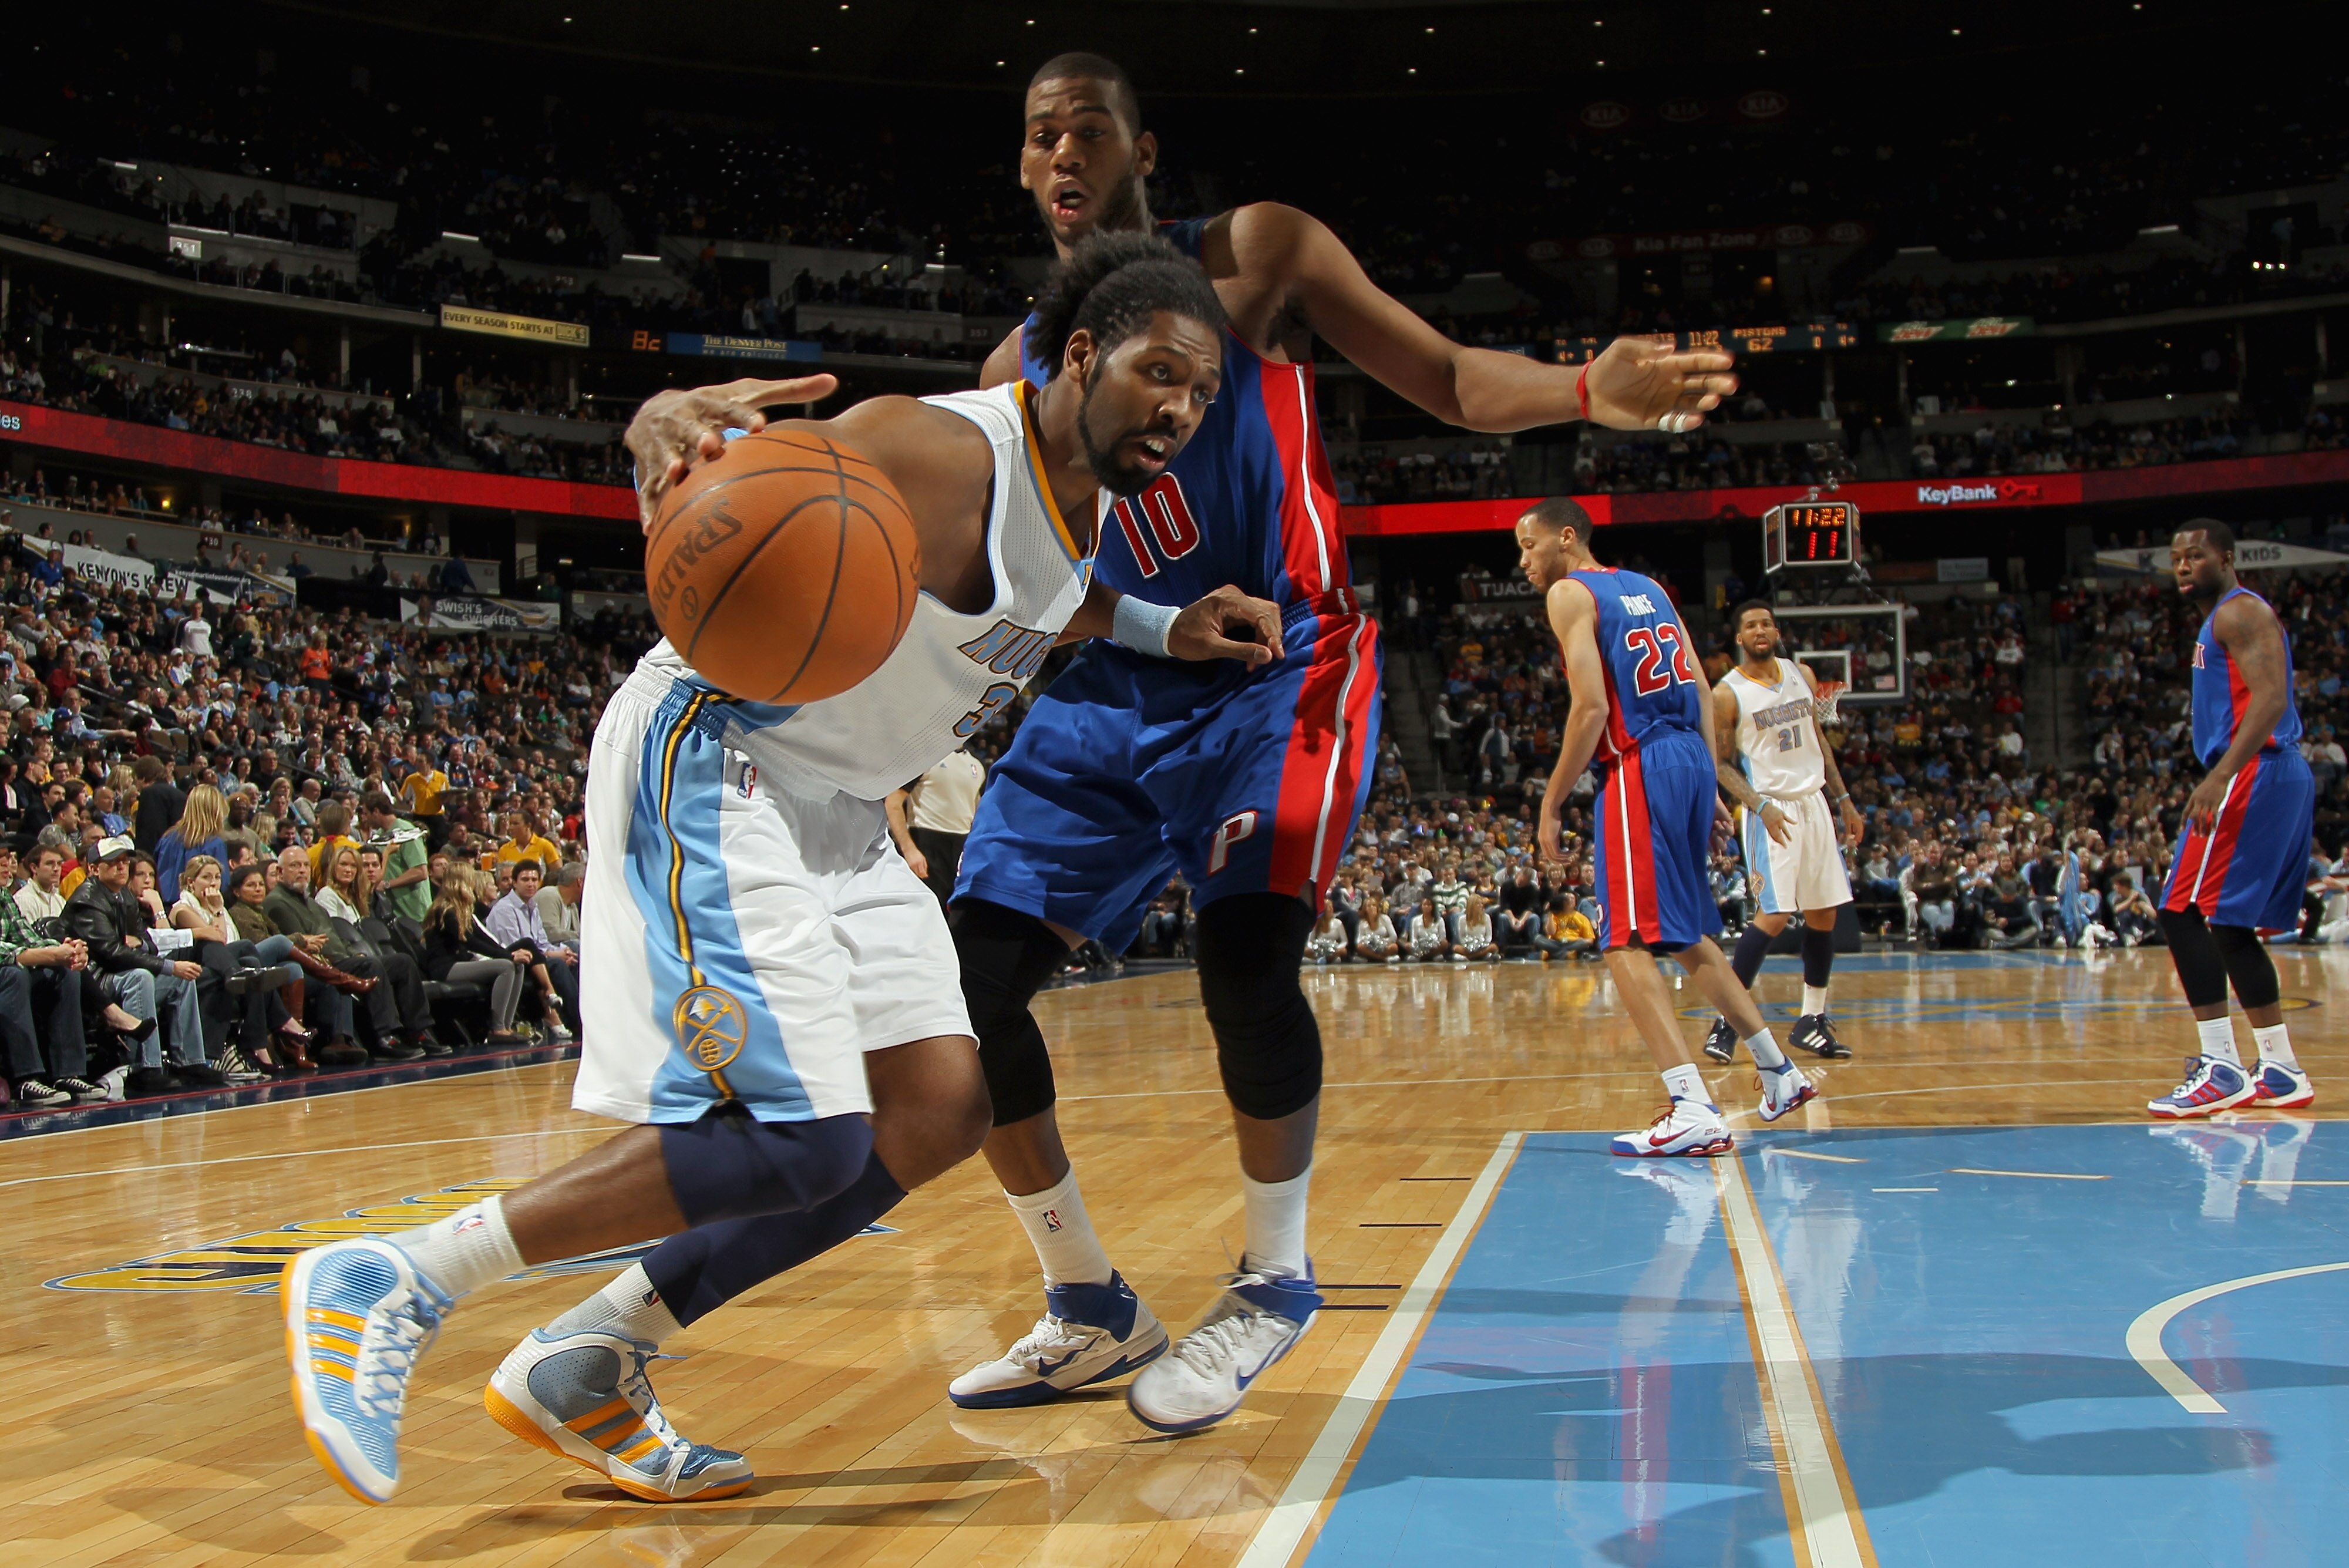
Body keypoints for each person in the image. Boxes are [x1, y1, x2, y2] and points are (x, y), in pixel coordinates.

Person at [283, 235, 1273, 1504]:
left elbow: (1039, 603)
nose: (1180, 411)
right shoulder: (939, 446)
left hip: (844, 809)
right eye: (1158, 374)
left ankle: (592, 1357)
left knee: (937, 1112)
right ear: (1082, 354)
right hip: (721, 759)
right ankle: (405, 1276)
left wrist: (1159, 624)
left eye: (1201, 394)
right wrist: (663, 422)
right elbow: (746, 484)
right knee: (806, 1143)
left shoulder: (1091, 505)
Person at [933, 53, 1738, 1435]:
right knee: (968, 993)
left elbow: (1447, 380)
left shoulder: (1255, 257)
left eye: (1087, 131)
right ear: (1020, 168)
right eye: (1037, 137)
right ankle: (1087, 1301)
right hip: (1118, 680)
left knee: (1245, 958)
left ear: (1141, 148)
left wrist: (1582, 393)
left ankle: (1273, 1277)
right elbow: (1020, 579)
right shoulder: (1014, 370)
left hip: (1280, 666)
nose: (1060, 154)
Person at [1518, 499, 1818, 1156]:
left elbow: (1592, 707)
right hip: (1685, 755)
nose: (1524, 561)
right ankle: (1779, 1070)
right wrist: (1708, 778)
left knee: (1623, 939)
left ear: (1566, 539)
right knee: (1686, 934)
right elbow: (1700, 685)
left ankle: (1690, 1104)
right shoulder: (1650, 588)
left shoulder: (1570, 593)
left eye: (1529, 545)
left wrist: (1550, 801)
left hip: (1638, 762)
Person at [2147, 520, 2319, 1118]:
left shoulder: (2237, 613)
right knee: (2228, 925)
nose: (2183, 566)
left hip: (2253, 771)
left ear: (2225, 557)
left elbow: (2271, 697)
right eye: (2175, 558)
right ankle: (2279, 1067)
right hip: (2274, 773)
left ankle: (2219, 1066)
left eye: (2195, 555)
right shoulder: (2223, 616)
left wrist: (2220, 776)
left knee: (2181, 910)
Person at [1701, 602, 1863, 1065]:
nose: (1760, 630)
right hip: (1770, 808)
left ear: (1776, 631)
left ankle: (1811, 1021)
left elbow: (1818, 739)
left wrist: (1845, 800)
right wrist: (1760, 806)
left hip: (1813, 803)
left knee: (1824, 914)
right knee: (1773, 916)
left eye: (1767, 623)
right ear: (1740, 637)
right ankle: (1727, 1022)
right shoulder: (1727, 694)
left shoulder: (1801, 675)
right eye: (1751, 625)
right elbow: (1721, 765)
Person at [65, 835, 220, 1094]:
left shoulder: (124, 896)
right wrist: (166, 965)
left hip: (118, 973)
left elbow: (147, 942)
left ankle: (190, 1062)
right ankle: (144, 1067)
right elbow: (111, 954)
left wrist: (141, 946)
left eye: (125, 861)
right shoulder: (87, 899)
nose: (122, 867)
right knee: (142, 977)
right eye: (113, 862)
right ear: (94, 869)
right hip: (94, 981)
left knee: (182, 978)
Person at [0, 881, 102, 1105]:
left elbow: (26, 937)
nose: (7, 864)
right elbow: (8, 952)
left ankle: (67, 1074)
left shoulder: (3, 895)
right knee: (13, 974)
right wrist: (49, 955)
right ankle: (25, 1079)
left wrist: (64, 951)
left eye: (9, 857)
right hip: (8, 975)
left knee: (65, 972)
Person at [420, 870, 530, 1045]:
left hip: (459, 964)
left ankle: (507, 1027)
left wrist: (510, 954)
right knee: (506, 966)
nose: (473, 887)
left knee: (516, 965)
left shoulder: (462, 910)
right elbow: (468, 941)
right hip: (445, 968)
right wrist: (508, 956)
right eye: (470, 882)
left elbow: (482, 938)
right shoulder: (446, 910)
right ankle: (498, 1028)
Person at [483, 860, 578, 1042]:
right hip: (511, 959)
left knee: (572, 957)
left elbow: (542, 943)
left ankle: (573, 1016)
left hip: (535, 959)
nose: (531, 884)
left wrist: (561, 952)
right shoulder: (505, 909)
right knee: (556, 964)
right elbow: (518, 947)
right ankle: (575, 1021)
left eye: (534, 879)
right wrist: (554, 956)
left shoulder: (533, 908)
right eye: (525, 879)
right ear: (515, 882)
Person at [887, 748, 987, 909]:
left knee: (955, 916)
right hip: (926, 843)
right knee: (926, 913)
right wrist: (909, 850)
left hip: (963, 847)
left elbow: (979, 811)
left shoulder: (977, 764)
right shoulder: (926, 758)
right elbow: (893, 803)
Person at [361, 790, 433, 925]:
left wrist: (388, 885)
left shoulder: (407, 833)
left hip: (415, 912)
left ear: (376, 812)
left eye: (366, 813)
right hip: (395, 912)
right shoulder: (380, 836)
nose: (364, 819)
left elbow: (420, 871)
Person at [154, 782, 232, 907]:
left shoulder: (167, 838)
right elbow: (223, 885)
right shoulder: (214, 844)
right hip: (198, 909)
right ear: (216, 812)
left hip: (163, 906)